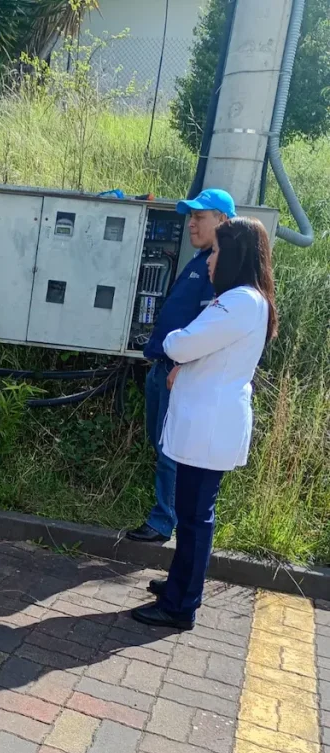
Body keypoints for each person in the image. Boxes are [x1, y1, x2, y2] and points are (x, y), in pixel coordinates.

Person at [132, 217, 277, 629]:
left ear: (233, 255)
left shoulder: (238, 303)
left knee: (195, 517)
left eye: (215, 252)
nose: (209, 261)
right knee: (191, 512)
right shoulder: (246, 301)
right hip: (208, 423)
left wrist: (178, 346)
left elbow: (183, 342)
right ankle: (179, 585)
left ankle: (181, 605)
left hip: (209, 426)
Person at [127, 188, 236, 543]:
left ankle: (163, 521)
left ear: (222, 220)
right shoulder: (200, 260)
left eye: (199, 217)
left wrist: (181, 366)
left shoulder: (222, 269)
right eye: (190, 217)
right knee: (160, 444)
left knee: (170, 448)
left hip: (179, 371)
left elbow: (210, 330)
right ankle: (167, 514)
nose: (192, 223)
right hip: (163, 367)